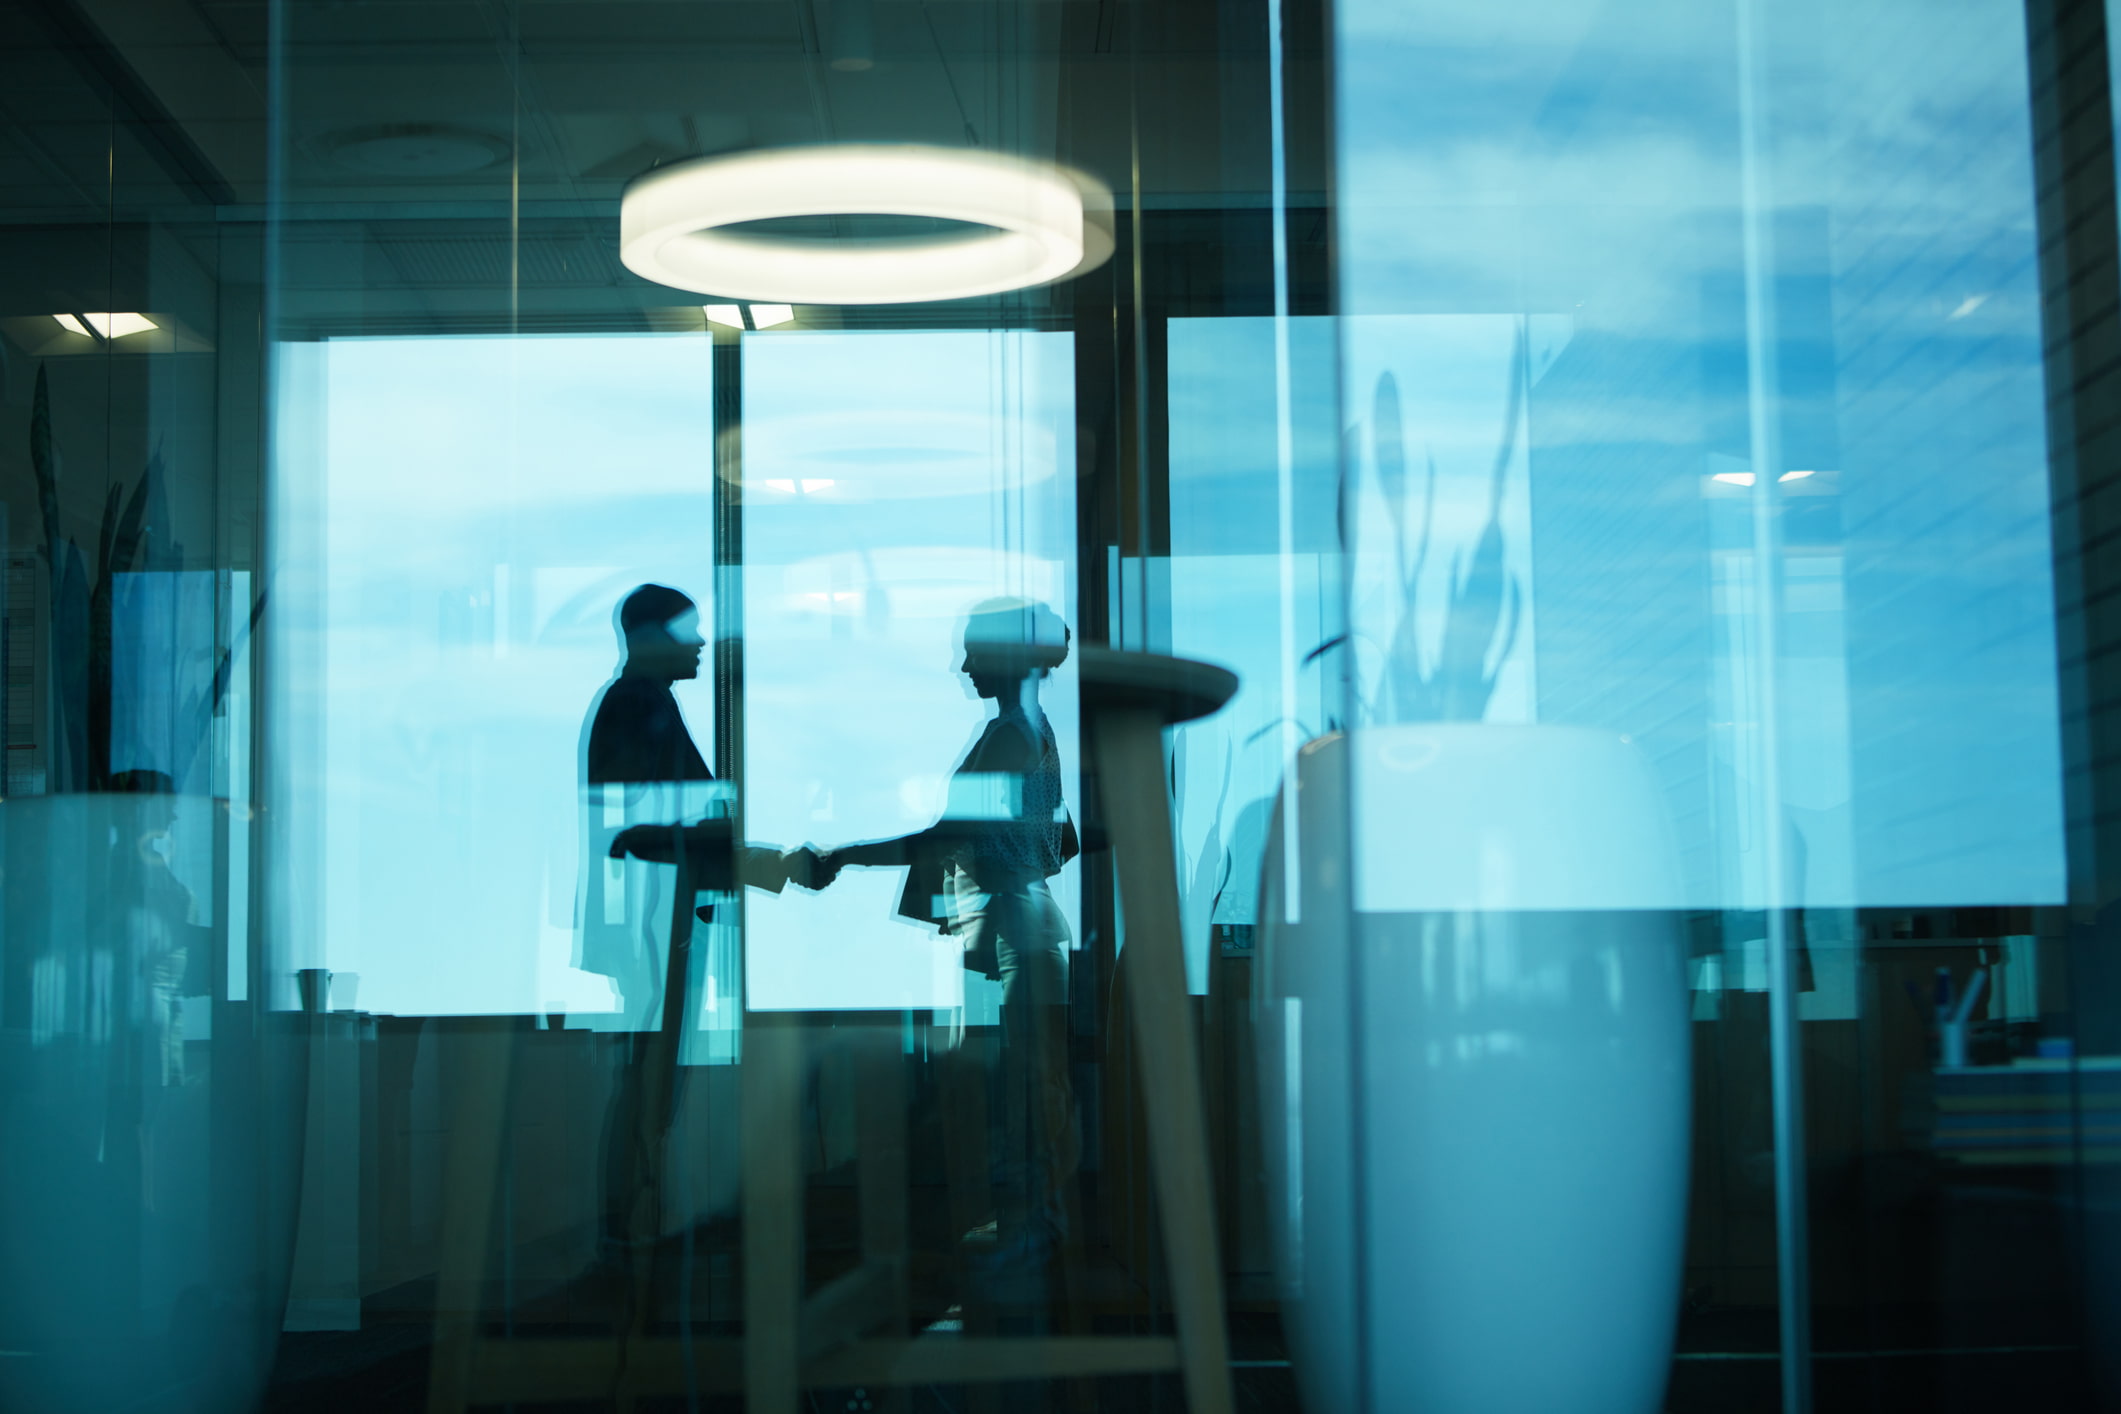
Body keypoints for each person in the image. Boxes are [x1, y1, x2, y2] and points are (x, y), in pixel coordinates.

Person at [814, 598, 1081, 1278]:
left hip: (1014, 930)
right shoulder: (1028, 730)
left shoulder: (1012, 736)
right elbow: (1062, 840)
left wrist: (846, 857)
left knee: (1025, 1084)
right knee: (1022, 1081)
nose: (964, 667)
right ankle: (1030, 1222)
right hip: (1012, 926)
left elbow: (946, 834)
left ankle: (1034, 1228)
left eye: (974, 653)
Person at [574, 584, 810, 1306]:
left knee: (651, 1081)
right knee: (650, 1082)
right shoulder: (637, 706)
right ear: (649, 636)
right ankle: (630, 1242)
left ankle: (632, 1236)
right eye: (688, 631)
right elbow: (642, 832)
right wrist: (765, 862)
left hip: (660, 919)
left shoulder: (641, 704)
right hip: (656, 923)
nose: (702, 644)